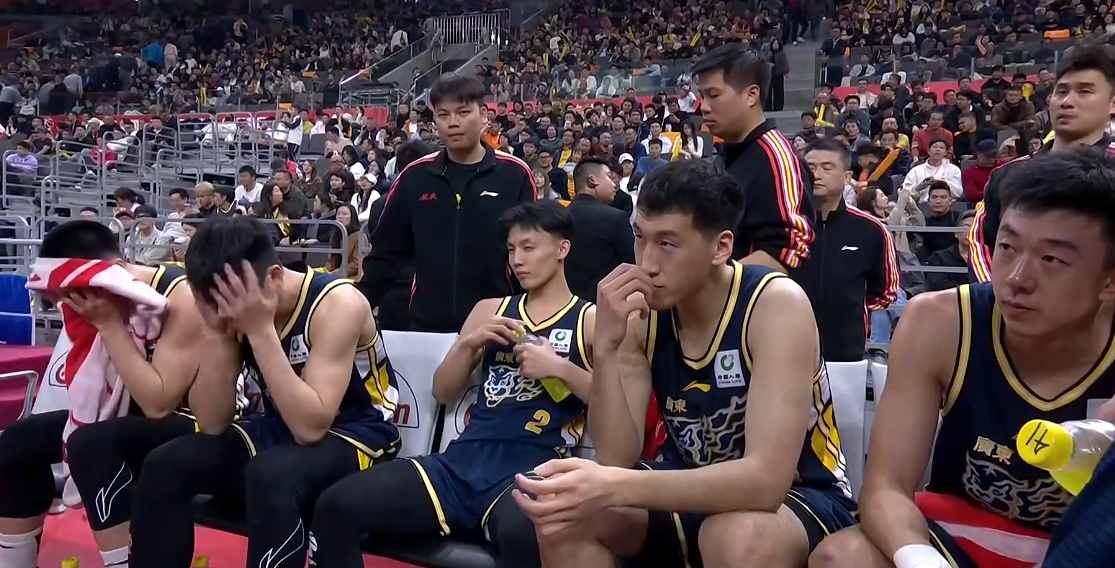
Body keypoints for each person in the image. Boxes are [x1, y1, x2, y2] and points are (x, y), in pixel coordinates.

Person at [514, 160, 855, 568]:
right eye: (640, 238)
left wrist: (615, 484)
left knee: (736, 536)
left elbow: (765, 483)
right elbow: (617, 456)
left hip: (800, 497)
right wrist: (604, 348)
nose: (647, 263)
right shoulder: (643, 315)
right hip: (688, 484)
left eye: (667, 244)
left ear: (721, 247)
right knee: (564, 517)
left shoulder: (775, 304)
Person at [809, 149, 1115, 568]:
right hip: (964, 534)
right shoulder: (941, 321)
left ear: (1110, 279)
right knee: (843, 557)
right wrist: (918, 557)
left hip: (1086, 546)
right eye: (1007, 247)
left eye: (1051, 259)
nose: (1017, 278)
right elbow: (886, 487)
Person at [310, 200, 595, 567]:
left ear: (562, 249)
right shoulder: (490, 309)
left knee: (528, 534)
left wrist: (560, 369)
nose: (517, 260)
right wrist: (469, 345)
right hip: (461, 462)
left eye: (529, 247)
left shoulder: (589, 319)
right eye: (511, 249)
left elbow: (611, 405)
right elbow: (442, 391)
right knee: (335, 506)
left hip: (534, 469)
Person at [128, 216, 401, 568]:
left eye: (228, 306)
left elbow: (311, 427)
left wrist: (259, 331)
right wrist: (217, 336)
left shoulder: (338, 304)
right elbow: (212, 423)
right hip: (280, 424)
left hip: (360, 431)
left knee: (271, 475)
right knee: (166, 464)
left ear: (273, 278)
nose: (222, 315)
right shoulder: (226, 314)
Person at [0, 221, 211, 568]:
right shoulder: (88, 303)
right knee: (16, 441)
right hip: (127, 418)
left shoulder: (180, 297)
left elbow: (158, 404)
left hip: (194, 422)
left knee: (91, 444)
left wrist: (111, 325)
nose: (64, 306)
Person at [358, 72, 537, 332]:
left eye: (463, 112)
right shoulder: (414, 176)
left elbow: (530, 252)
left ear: (483, 116)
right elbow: (386, 255)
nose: (453, 123)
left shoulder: (515, 174)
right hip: (426, 326)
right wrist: (355, 307)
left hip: (499, 324)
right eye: (444, 115)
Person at [969, 43, 1115, 282]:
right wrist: (995, 293)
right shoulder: (1008, 174)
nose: (1067, 101)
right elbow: (980, 243)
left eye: (1084, 92)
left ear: (1112, 104)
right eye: (1061, 91)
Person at [692, 43, 816, 271]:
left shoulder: (776, 158)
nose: (704, 107)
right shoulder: (730, 153)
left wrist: (711, 282)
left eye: (714, 95)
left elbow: (790, 249)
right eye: (702, 96)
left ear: (751, 95)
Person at [793, 139, 899, 363]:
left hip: (846, 352)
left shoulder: (871, 230)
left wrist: (849, 312)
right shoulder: (786, 225)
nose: (816, 175)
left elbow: (886, 291)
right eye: (810, 168)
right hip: (786, 347)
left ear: (847, 176)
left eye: (827, 168)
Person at [565, 157, 635, 302]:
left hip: (565, 307)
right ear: (592, 180)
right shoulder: (615, 218)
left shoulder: (558, 218)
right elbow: (633, 263)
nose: (614, 184)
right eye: (609, 177)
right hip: (603, 305)